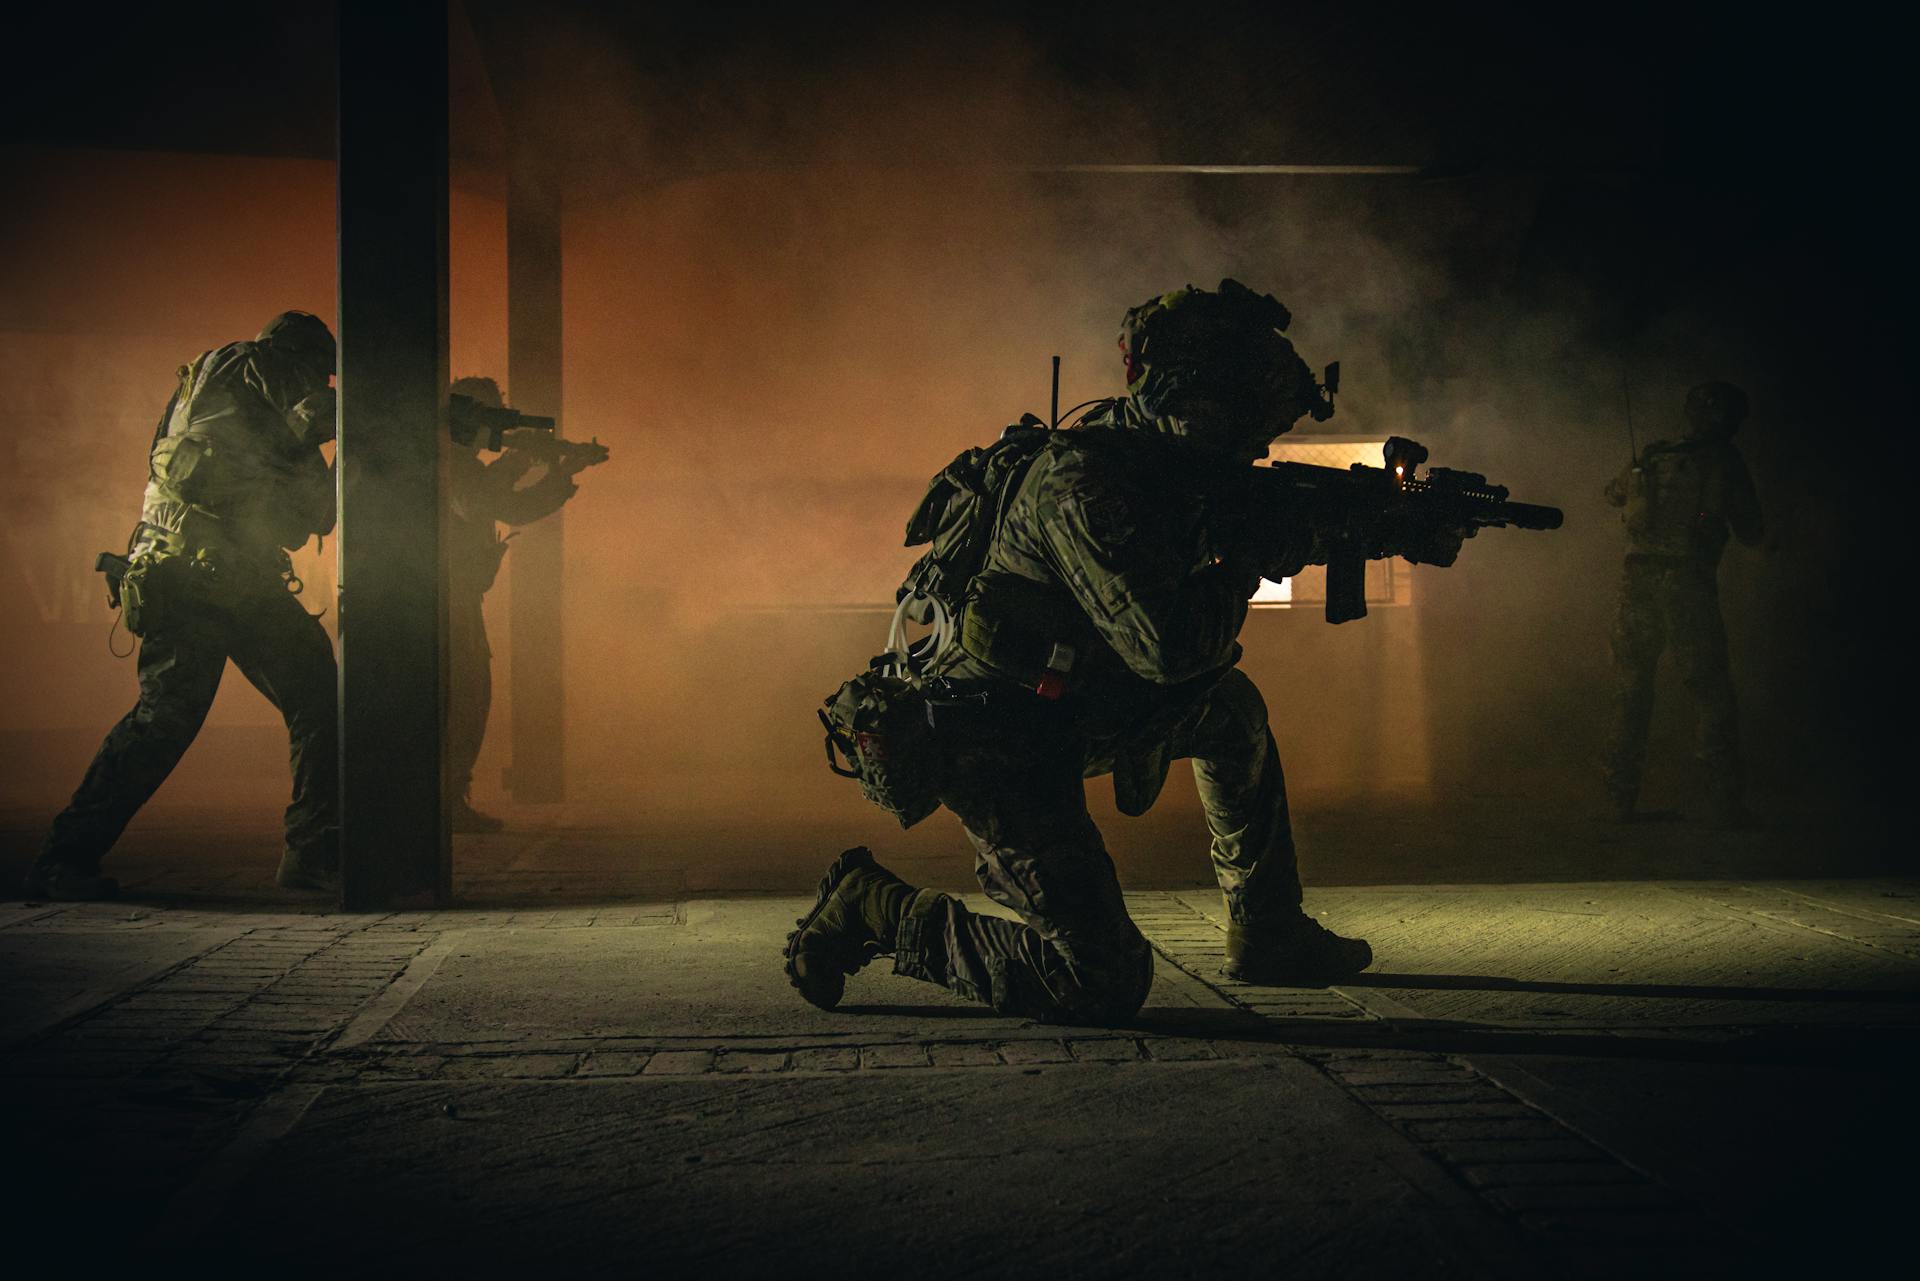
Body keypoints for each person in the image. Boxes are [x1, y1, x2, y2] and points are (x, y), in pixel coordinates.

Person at [787, 280, 1463, 1026]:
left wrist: (1375, 530)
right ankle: (873, 905)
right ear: (1194, 401)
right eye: (1246, 422)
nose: (1260, 446)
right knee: (1099, 980)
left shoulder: (1164, 459)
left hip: (1074, 706)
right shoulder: (1084, 482)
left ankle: (1268, 930)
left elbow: (1236, 533)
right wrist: (1249, 555)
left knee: (1232, 712)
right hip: (998, 739)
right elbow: (1168, 649)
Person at [25, 312, 341, 900]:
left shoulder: (268, 405)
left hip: (236, 578)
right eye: (318, 372)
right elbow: (302, 413)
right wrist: (360, 413)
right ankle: (61, 860)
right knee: (164, 722)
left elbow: (313, 512)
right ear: (292, 355)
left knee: (318, 693)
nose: (320, 384)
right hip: (192, 574)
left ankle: (313, 851)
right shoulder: (245, 363)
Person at [445, 376, 605, 832]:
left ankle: (448, 800)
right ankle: (444, 802)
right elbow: (481, 502)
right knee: (465, 698)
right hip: (443, 598)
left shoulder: (461, 461)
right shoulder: (450, 461)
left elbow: (508, 508)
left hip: (456, 596)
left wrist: (560, 474)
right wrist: (521, 460)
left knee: (471, 698)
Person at [1601, 381, 1764, 826]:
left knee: (1630, 689)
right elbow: (1753, 529)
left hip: (1636, 581)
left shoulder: (1654, 455)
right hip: (1688, 582)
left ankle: (1619, 798)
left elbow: (1613, 495)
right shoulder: (1724, 460)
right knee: (1711, 691)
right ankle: (1723, 802)